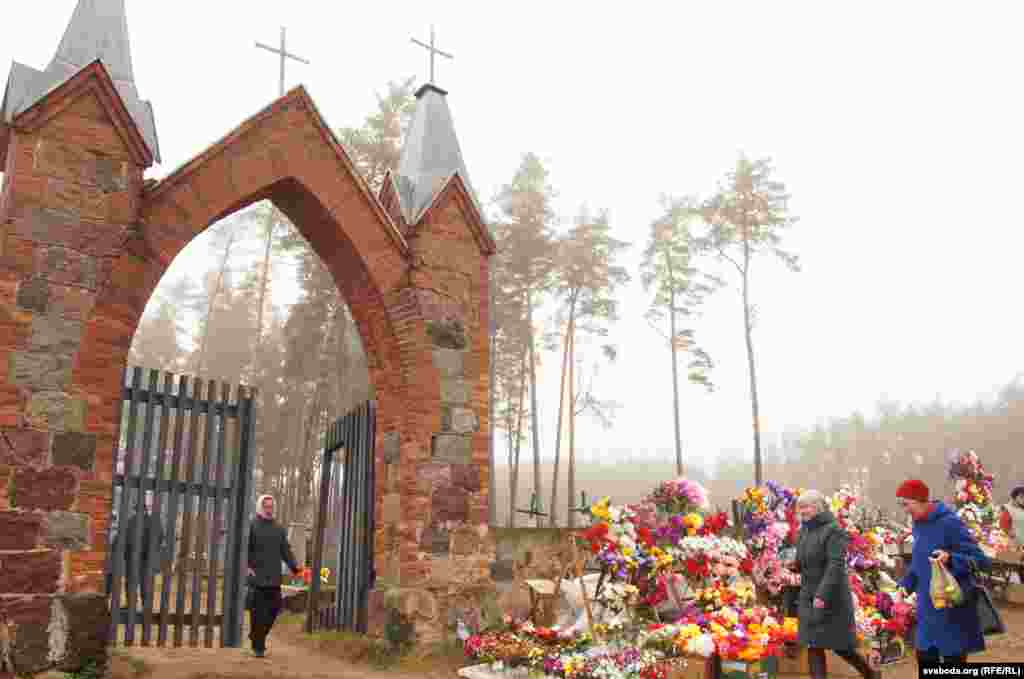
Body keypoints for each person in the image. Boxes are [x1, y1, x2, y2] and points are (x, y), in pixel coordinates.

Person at [895, 479, 990, 665]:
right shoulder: (918, 525)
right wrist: (905, 585)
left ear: (921, 500)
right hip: (927, 612)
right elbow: (919, 564)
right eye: (902, 505)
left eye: (906, 504)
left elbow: (981, 561)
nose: (905, 510)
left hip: (952, 611)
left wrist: (951, 558)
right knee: (925, 659)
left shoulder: (950, 523)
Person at [788, 490, 878, 679]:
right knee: (813, 644)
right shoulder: (804, 530)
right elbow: (804, 558)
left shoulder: (833, 530)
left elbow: (835, 564)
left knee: (840, 646)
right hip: (808, 594)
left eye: (806, 507)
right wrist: (795, 566)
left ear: (818, 508)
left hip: (831, 596)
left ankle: (870, 673)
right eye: (800, 508)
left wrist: (822, 595)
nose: (801, 511)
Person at [246, 494, 300, 658]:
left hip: (274, 577)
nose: (269, 509)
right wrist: (247, 566)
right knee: (258, 613)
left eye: (271, 506)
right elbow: (245, 548)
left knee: (275, 608)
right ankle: (258, 647)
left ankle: (257, 636)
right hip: (257, 577)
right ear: (260, 507)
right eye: (266, 506)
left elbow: (285, 550)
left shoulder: (278, 528)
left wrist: (295, 568)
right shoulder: (252, 525)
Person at [120, 491, 166, 608]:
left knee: (131, 583)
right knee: (147, 583)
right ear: (146, 510)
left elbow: (125, 539)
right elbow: (160, 537)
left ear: (136, 510)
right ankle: (147, 606)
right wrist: (154, 551)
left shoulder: (130, 522)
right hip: (149, 558)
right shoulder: (155, 522)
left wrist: (126, 554)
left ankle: (131, 605)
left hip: (133, 557)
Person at [998, 484, 1024, 550]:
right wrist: (1010, 533)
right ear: (1015, 496)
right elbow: (1002, 524)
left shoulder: (1021, 509)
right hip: (1014, 543)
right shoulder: (1008, 508)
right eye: (1021, 497)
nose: (1023, 499)